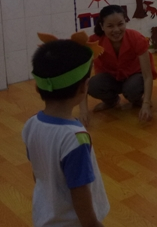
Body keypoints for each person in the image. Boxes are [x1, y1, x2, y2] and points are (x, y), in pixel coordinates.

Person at [23, 37, 110, 227]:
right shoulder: (75, 138)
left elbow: (38, 172)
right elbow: (79, 191)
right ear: (84, 88)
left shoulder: (31, 124)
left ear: (38, 87)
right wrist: (92, 224)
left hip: (44, 215)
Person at [81, 5, 156, 124]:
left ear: (125, 22)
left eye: (120, 24)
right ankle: (111, 101)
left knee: (133, 88)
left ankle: (137, 99)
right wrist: (83, 110)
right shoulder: (93, 42)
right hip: (110, 79)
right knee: (93, 85)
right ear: (102, 26)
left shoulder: (136, 38)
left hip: (134, 77)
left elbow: (147, 76)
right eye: (110, 26)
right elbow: (84, 78)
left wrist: (146, 104)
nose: (116, 30)